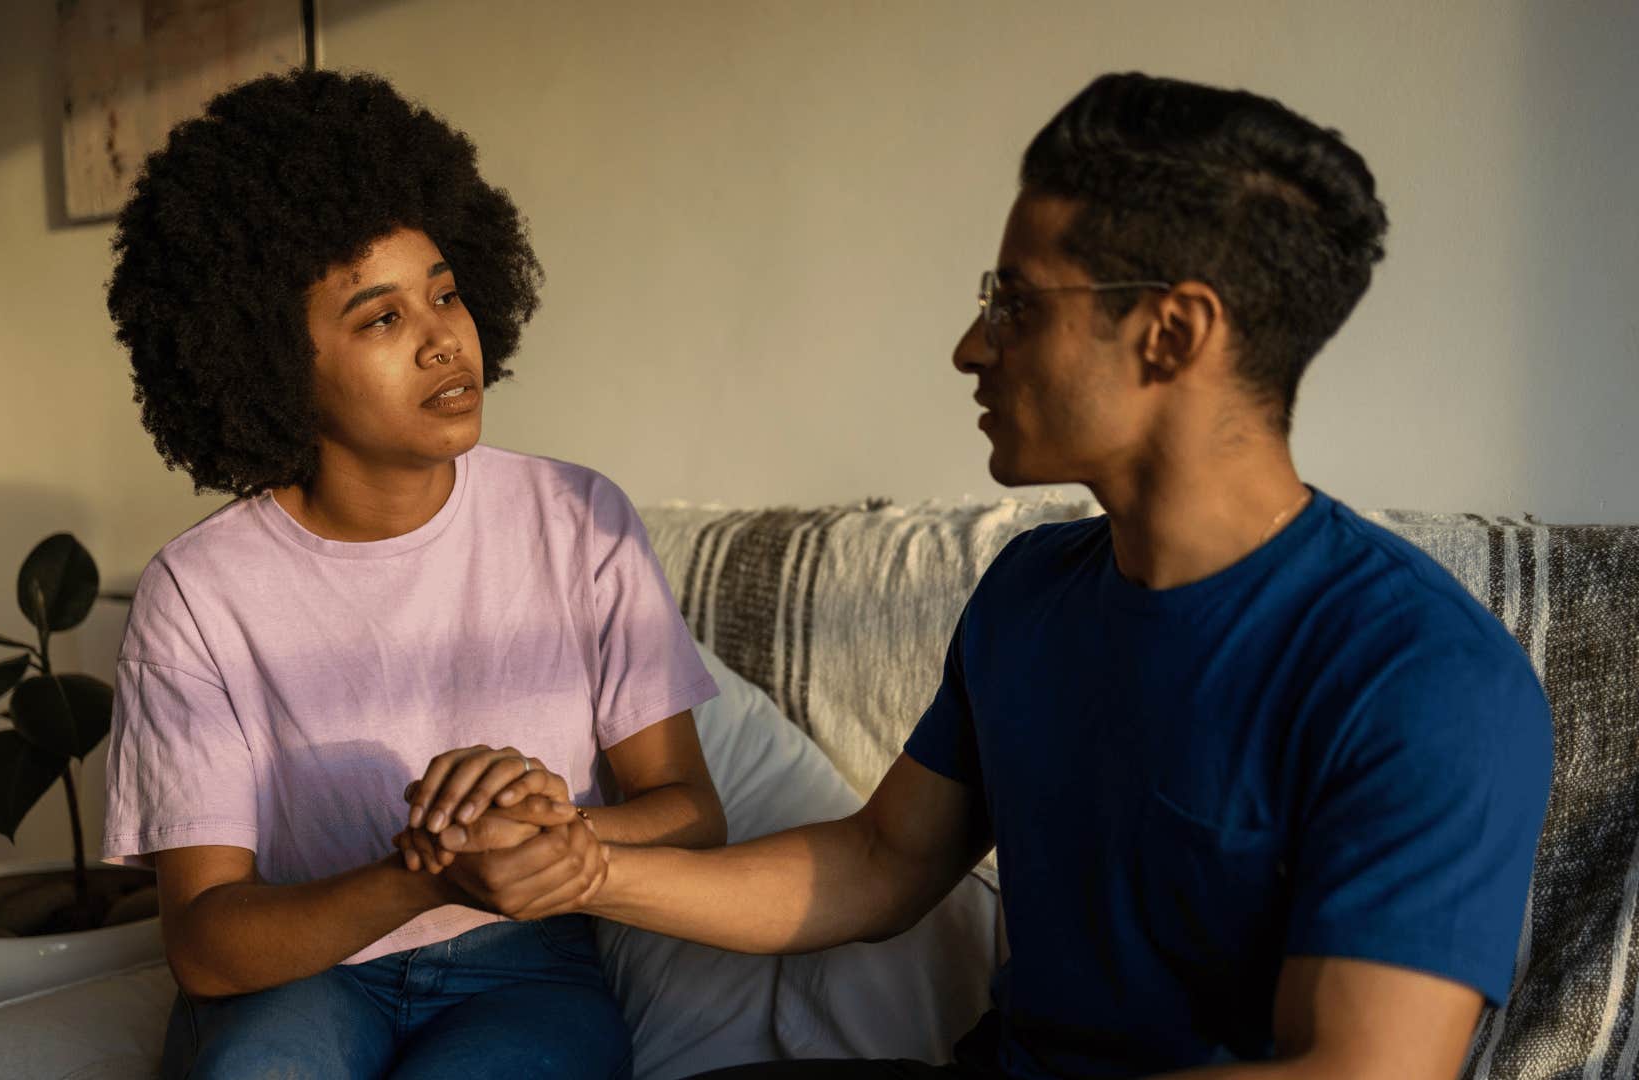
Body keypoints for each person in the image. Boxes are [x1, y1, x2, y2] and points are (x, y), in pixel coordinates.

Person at [442, 73, 1554, 1079]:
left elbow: (1354, 1073)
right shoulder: (1032, 591)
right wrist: (583, 868)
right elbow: (880, 863)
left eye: (1016, 302)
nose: (972, 347)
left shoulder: (1425, 682)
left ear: (1171, 335)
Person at [100, 69, 724, 1080]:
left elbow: (692, 812)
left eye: (445, 291)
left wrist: (541, 835)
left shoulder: (578, 520)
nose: (445, 337)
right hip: (306, 966)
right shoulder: (198, 595)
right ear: (267, 361)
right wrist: (426, 870)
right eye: (380, 318)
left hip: (529, 969)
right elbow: (208, 948)